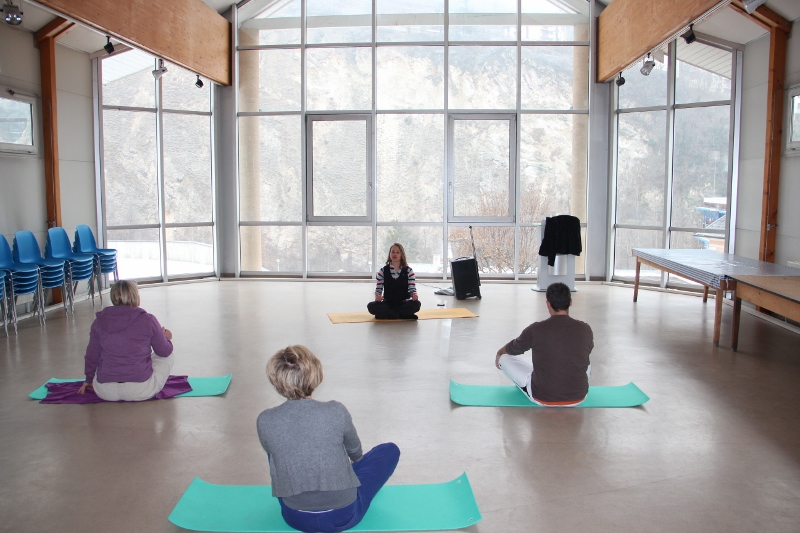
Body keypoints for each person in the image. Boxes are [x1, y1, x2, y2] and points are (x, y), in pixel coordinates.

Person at [257, 346, 400, 533]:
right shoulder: (336, 411)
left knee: (275, 450)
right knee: (389, 450)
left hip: (295, 517)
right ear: (316, 375)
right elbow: (356, 454)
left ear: (276, 380)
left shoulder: (265, 419)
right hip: (344, 515)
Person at [494, 282, 593, 406]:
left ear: (548, 304)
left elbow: (514, 348)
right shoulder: (585, 329)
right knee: (585, 361)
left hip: (542, 397)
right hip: (578, 397)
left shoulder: (536, 329)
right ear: (570, 302)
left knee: (505, 358)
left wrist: (499, 353)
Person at [78, 280, 174, 401]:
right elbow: (164, 351)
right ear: (136, 297)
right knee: (169, 356)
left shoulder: (99, 322)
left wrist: (88, 379)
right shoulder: (148, 320)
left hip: (105, 391)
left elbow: (92, 355)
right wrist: (166, 337)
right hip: (140, 389)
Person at [367, 243, 421, 320]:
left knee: (416, 304)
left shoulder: (409, 271)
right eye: (392, 252)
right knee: (371, 306)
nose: (394, 254)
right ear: (389, 254)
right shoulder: (383, 271)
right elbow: (379, 289)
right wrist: (378, 297)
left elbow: (412, 288)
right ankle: (402, 314)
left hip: (403, 303)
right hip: (388, 303)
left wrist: (414, 295)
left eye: (397, 252)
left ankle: (390, 314)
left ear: (402, 254)